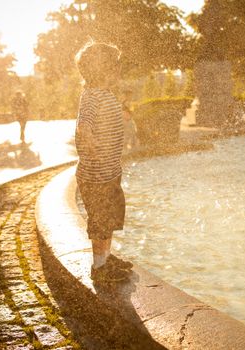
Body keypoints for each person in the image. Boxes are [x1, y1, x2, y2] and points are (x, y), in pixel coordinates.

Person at [74, 42, 133, 283]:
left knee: (109, 218)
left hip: (110, 173)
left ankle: (106, 258)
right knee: (100, 221)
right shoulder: (90, 97)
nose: (119, 70)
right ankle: (99, 268)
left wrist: (124, 114)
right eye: (115, 65)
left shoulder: (106, 94)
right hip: (95, 176)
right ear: (104, 69)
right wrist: (90, 143)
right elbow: (83, 125)